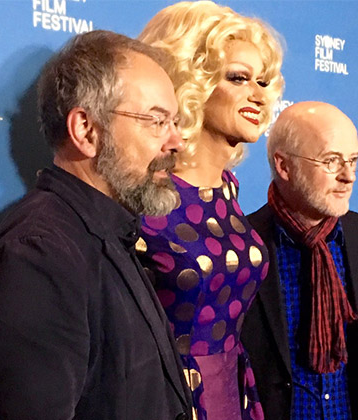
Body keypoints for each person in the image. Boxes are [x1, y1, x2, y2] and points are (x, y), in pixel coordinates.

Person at [0, 30, 193, 420]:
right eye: (157, 121)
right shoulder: (39, 254)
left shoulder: (105, 230)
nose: (176, 141)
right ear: (86, 131)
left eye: (174, 121)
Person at [136, 2, 284, 419]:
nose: (258, 94)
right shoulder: (146, 196)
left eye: (263, 80)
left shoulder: (227, 188)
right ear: (190, 81)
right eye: (238, 78)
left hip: (233, 389)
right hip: (167, 399)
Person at [241, 101, 358, 420]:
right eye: (331, 161)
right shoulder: (242, 243)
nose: (348, 176)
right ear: (284, 166)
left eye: (352, 160)